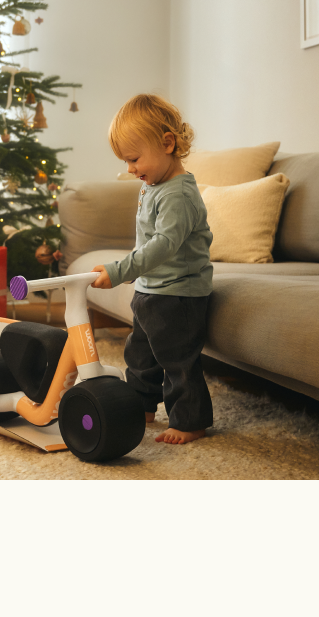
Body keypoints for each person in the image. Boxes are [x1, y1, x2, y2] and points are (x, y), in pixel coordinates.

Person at [90, 94, 215, 445]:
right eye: (126, 160)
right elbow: (144, 237)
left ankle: (191, 421)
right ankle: (142, 405)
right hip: (151, 289)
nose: (130, 168)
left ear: (167, 144)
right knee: (140, 354)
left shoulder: (178, 194)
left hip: (178, 294)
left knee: (177, 359)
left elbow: (162, 245)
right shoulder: (153, 184)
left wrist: (120, 270)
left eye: (133, 158)